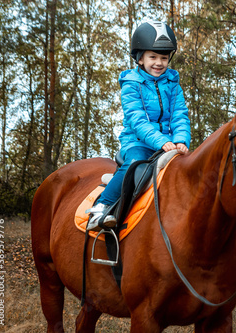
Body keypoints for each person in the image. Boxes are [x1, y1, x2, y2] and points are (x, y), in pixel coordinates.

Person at [87, 20, 191, 231]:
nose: (159, 63)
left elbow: (180, 115)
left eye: (163, 57)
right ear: (140, 58)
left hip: (168, 144)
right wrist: (161, 141)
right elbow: (138, 121)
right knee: (137, 165)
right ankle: (101, 207)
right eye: (153, 57)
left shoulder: (173, 84)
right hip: (138, 143)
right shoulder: (131, 84)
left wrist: (180, 140)